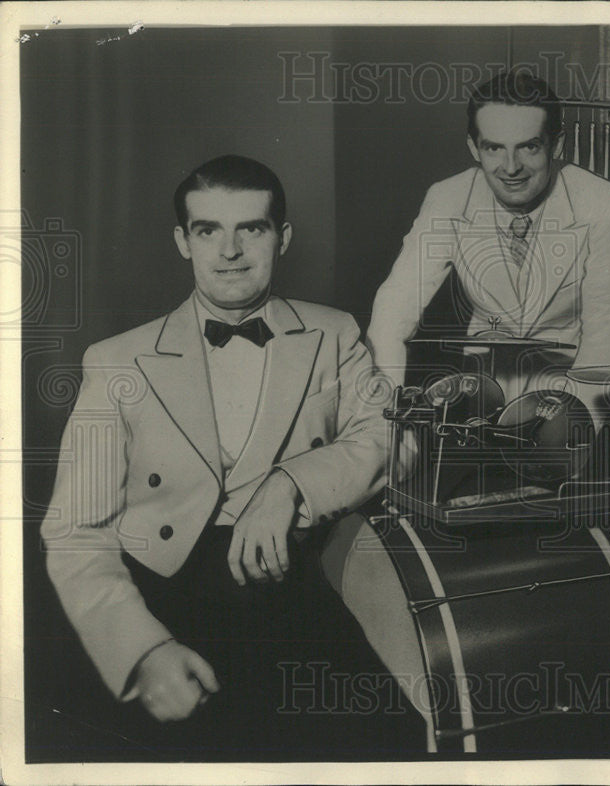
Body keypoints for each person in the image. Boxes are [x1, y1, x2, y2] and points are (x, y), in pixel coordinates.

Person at [40, 155, 414, 758]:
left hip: (294, 592)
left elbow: (391, 440)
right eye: (209, 229)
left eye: (253, 228)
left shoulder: (335, 333)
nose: (230, 250)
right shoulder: (116, 361)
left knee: (387, 740)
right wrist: (141, 652)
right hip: (158, 594)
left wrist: (289, 483)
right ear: (183, 242)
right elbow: (75, 529)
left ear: (282, 237)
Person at [366, 70, 610, 402]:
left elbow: (607, 329)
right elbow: (395, 306)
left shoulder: (603, 203)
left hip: (570, 385)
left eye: (529, 148)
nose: (510, 168)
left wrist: (572, 430)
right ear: (473, 148)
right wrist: (386, 412)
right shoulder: (448, 197)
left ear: (557, 145)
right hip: (481, 389)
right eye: (494, 148)